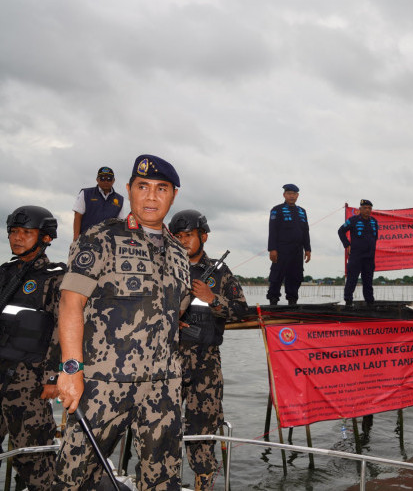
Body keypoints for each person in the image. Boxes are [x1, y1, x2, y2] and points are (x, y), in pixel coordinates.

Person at [53, 155, 191, 490]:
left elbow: (177, 311)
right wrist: (71, 368)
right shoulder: (100, 237)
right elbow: (71, 303)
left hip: (164, 387)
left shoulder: (179, 252)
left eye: (161, 189)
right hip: (103, 383)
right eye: (143, 187)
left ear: (173, 195)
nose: (151, 196)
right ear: (128, 190)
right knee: (75, 477)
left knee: (162, 479)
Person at [168, 210, 248, 490]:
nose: (182, 241)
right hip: (167, 363)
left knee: (202, 430)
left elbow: (240, 311)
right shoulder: (163, 269)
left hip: (206, 364)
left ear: (203, 236)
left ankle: (204, 481)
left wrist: (213, 298)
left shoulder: (220, 272)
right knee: (161, 429)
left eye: (188, 235)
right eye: (177, 237)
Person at [0, 206, 64, 489]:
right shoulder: (5, 274)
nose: (17, 237)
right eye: (14, 231)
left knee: (33, 456)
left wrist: (52, 377)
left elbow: (63, 330)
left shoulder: (55, 278)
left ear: (46, 238)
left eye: (26, 232)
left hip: (29, 382)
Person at [266, 184, 311, 305]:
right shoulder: (277, 210)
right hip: (281, 249)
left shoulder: (302, 211)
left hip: (297, 250)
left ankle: (292, 301)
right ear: (284, 195)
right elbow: (273, 230)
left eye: (294, 194)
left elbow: (305, 231)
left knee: (296, 276)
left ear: (297, 196)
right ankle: (273, 300)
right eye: (289, 194)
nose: (292, 196)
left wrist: (308, 249)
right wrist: (272, 249)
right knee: (277, 275)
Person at [338, 199, 379, 307]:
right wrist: (347, 245)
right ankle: (348, 301)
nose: (367, 210)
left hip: (369, 257)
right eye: (365, 208)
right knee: (352, 280)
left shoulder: (374, 221)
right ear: (360, 209)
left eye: (369, 208)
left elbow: (375, 237)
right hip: (356, 256)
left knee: (368, 281)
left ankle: (370, 303)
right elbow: (341, 231)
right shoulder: (353, 220)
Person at [72, 166, 127, 241]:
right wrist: (75, 239)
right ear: (97, 180)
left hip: (108, 243)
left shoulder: (120, 199)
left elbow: (120, 223)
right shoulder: (85, 193)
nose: (106, 181)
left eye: (109, 179)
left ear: (113, 180)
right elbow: (78, 216)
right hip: (85, 240)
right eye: (102, 178)